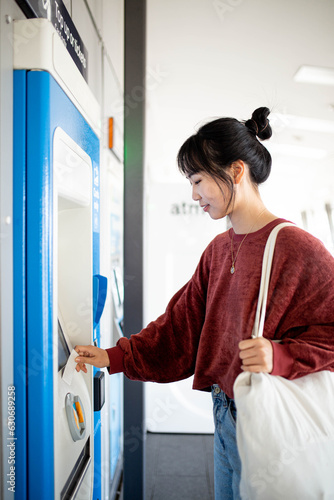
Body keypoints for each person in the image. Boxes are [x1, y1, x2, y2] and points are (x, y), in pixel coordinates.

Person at [75, 106, 334, 500]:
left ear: (235, 172)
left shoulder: (296, 247)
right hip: (225, 413)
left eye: (197, 180)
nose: (194, 194)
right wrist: (116, 357)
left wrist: (279, 356)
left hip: (269, 416)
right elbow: (181, 326)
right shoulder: (218, 250)